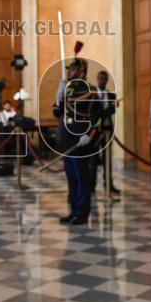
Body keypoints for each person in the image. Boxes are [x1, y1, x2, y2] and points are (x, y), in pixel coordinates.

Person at [54, 43, 103, 225]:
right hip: (67, 140)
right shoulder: (67, 90)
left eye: (73, 71)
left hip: (81, 141)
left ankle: (82, 213)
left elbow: (98, 117)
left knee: (82, 178)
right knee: (71, 178)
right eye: (69, 70)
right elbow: (57, 114)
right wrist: (58, 98)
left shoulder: (90, 92)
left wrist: (89, 134)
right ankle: (73, 210)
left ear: (82, 72)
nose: (69, 73)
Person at [92, 70, 120, 197]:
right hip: (95, 129)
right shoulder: (92, 95)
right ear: (97, 79)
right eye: (100, 78)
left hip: (107, 128)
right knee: (93, 158)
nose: (102, 81)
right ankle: (91, 185)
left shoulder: (111, 96)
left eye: (104, 79)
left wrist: (108, 110)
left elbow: (112, 111)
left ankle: (108, 184)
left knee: (107, 158)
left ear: (107, 80)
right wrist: (106, 111)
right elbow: (94, 112)